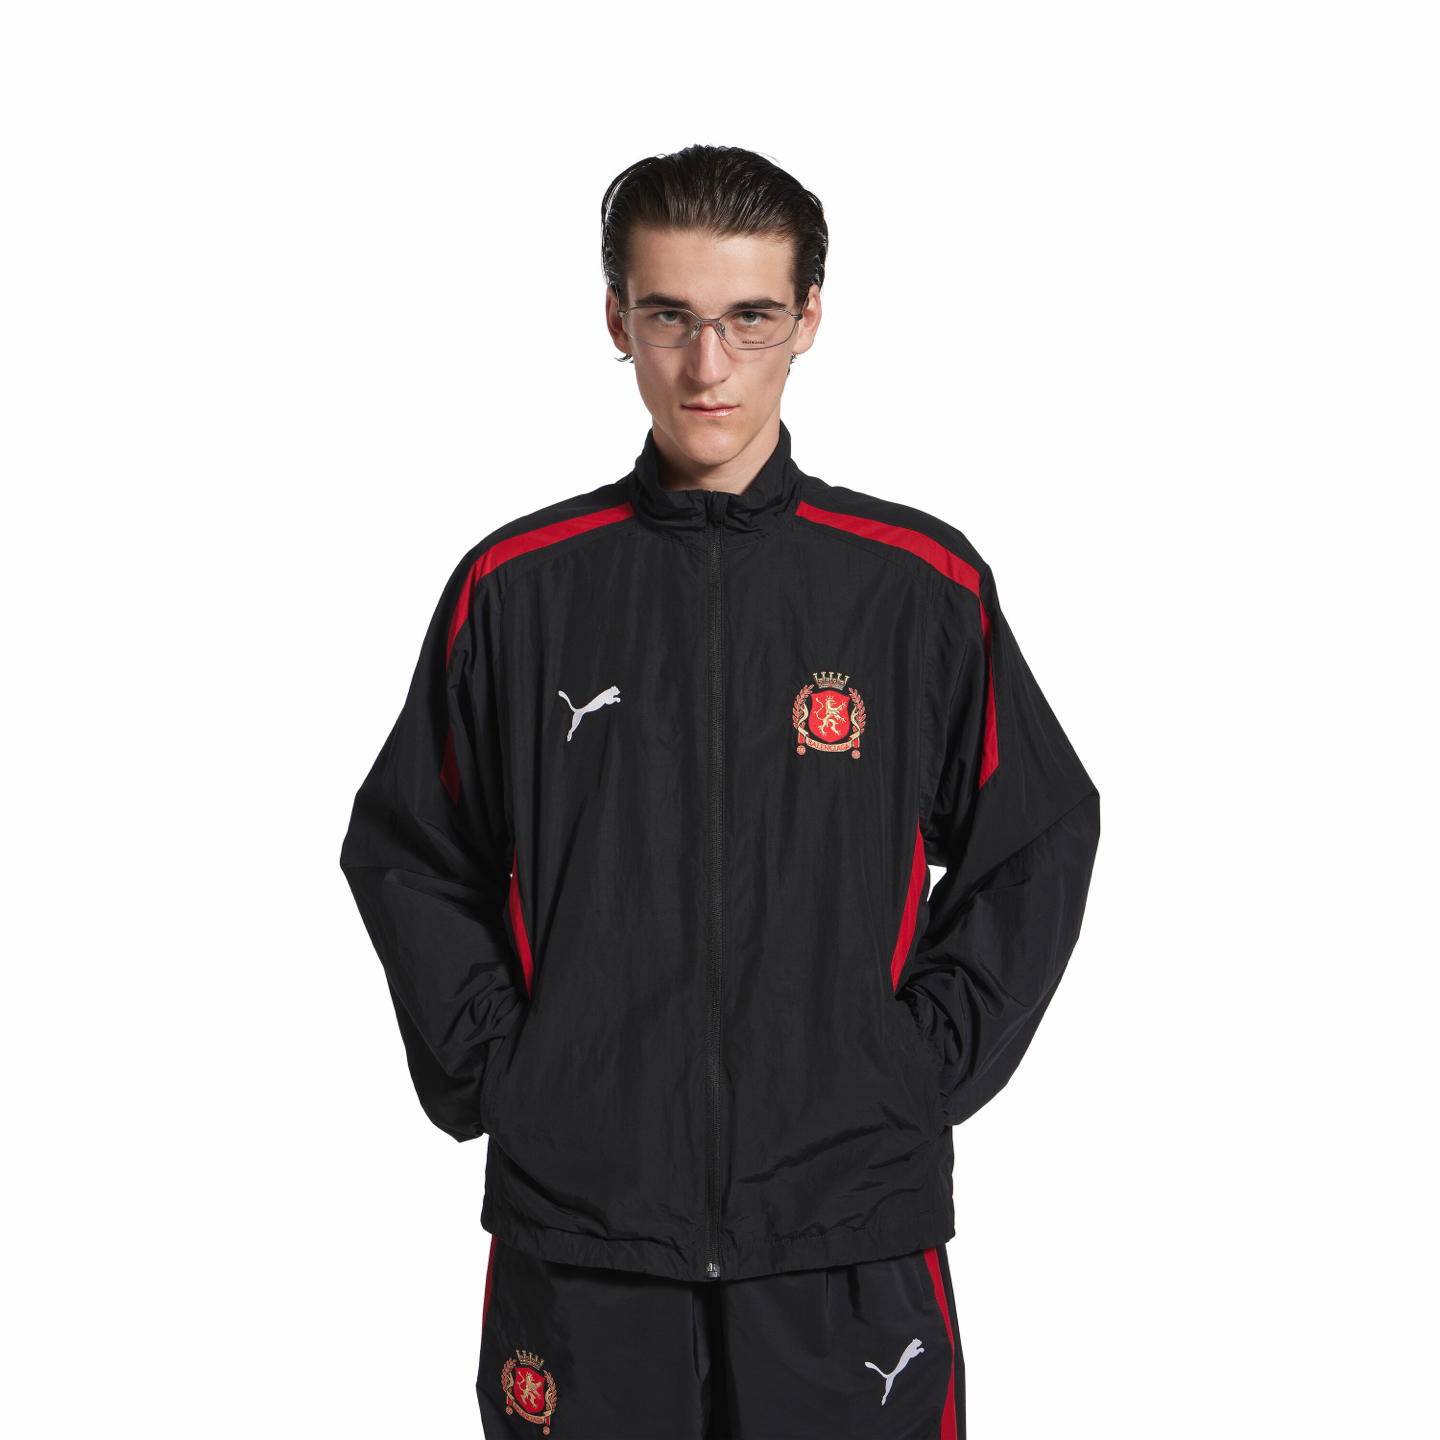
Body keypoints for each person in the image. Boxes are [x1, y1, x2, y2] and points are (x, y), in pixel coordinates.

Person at [340, 144, 1100, 1439]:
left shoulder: (914, 586)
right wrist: (509, 1073)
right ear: (615, 319)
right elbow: (409, 849)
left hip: (847, 1241)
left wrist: (910, 1068)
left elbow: (1036, 835)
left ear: (809, 318)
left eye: (749, 318)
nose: (708, 367)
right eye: (670, 318)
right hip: (587, 1240)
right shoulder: (519, 589)